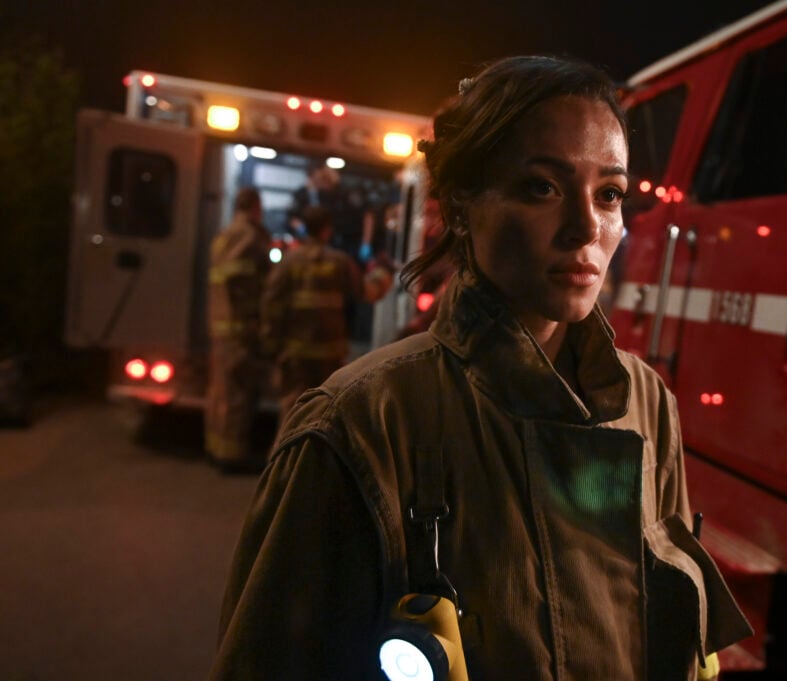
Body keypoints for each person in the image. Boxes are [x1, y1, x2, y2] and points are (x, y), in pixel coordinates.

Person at [210, 55, 751, 680]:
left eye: (609, 194)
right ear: (463, 205)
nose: (585, 229)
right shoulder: (359, 424)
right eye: (542, 187)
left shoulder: (647, 401)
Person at [260, 204, 395, 429]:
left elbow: (270, 303)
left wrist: (271, 345)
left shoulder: (289, 262)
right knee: (321, 417)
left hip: (295, 356)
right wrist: (384, 274)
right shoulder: (339, 262)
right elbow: (367, 292)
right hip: (329, 359)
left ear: (305, 228)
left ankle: (282, 461)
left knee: (291, 414)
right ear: (327, 230)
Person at [205, 186, 271, 474]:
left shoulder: (223, 236)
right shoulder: (250, 237)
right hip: (240, 330)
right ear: (256, 206)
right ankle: (232, 457)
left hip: (220, 327)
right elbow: (245, 282)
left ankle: (215, 448)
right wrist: (257, 318)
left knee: (220, 390)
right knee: (239, 395)